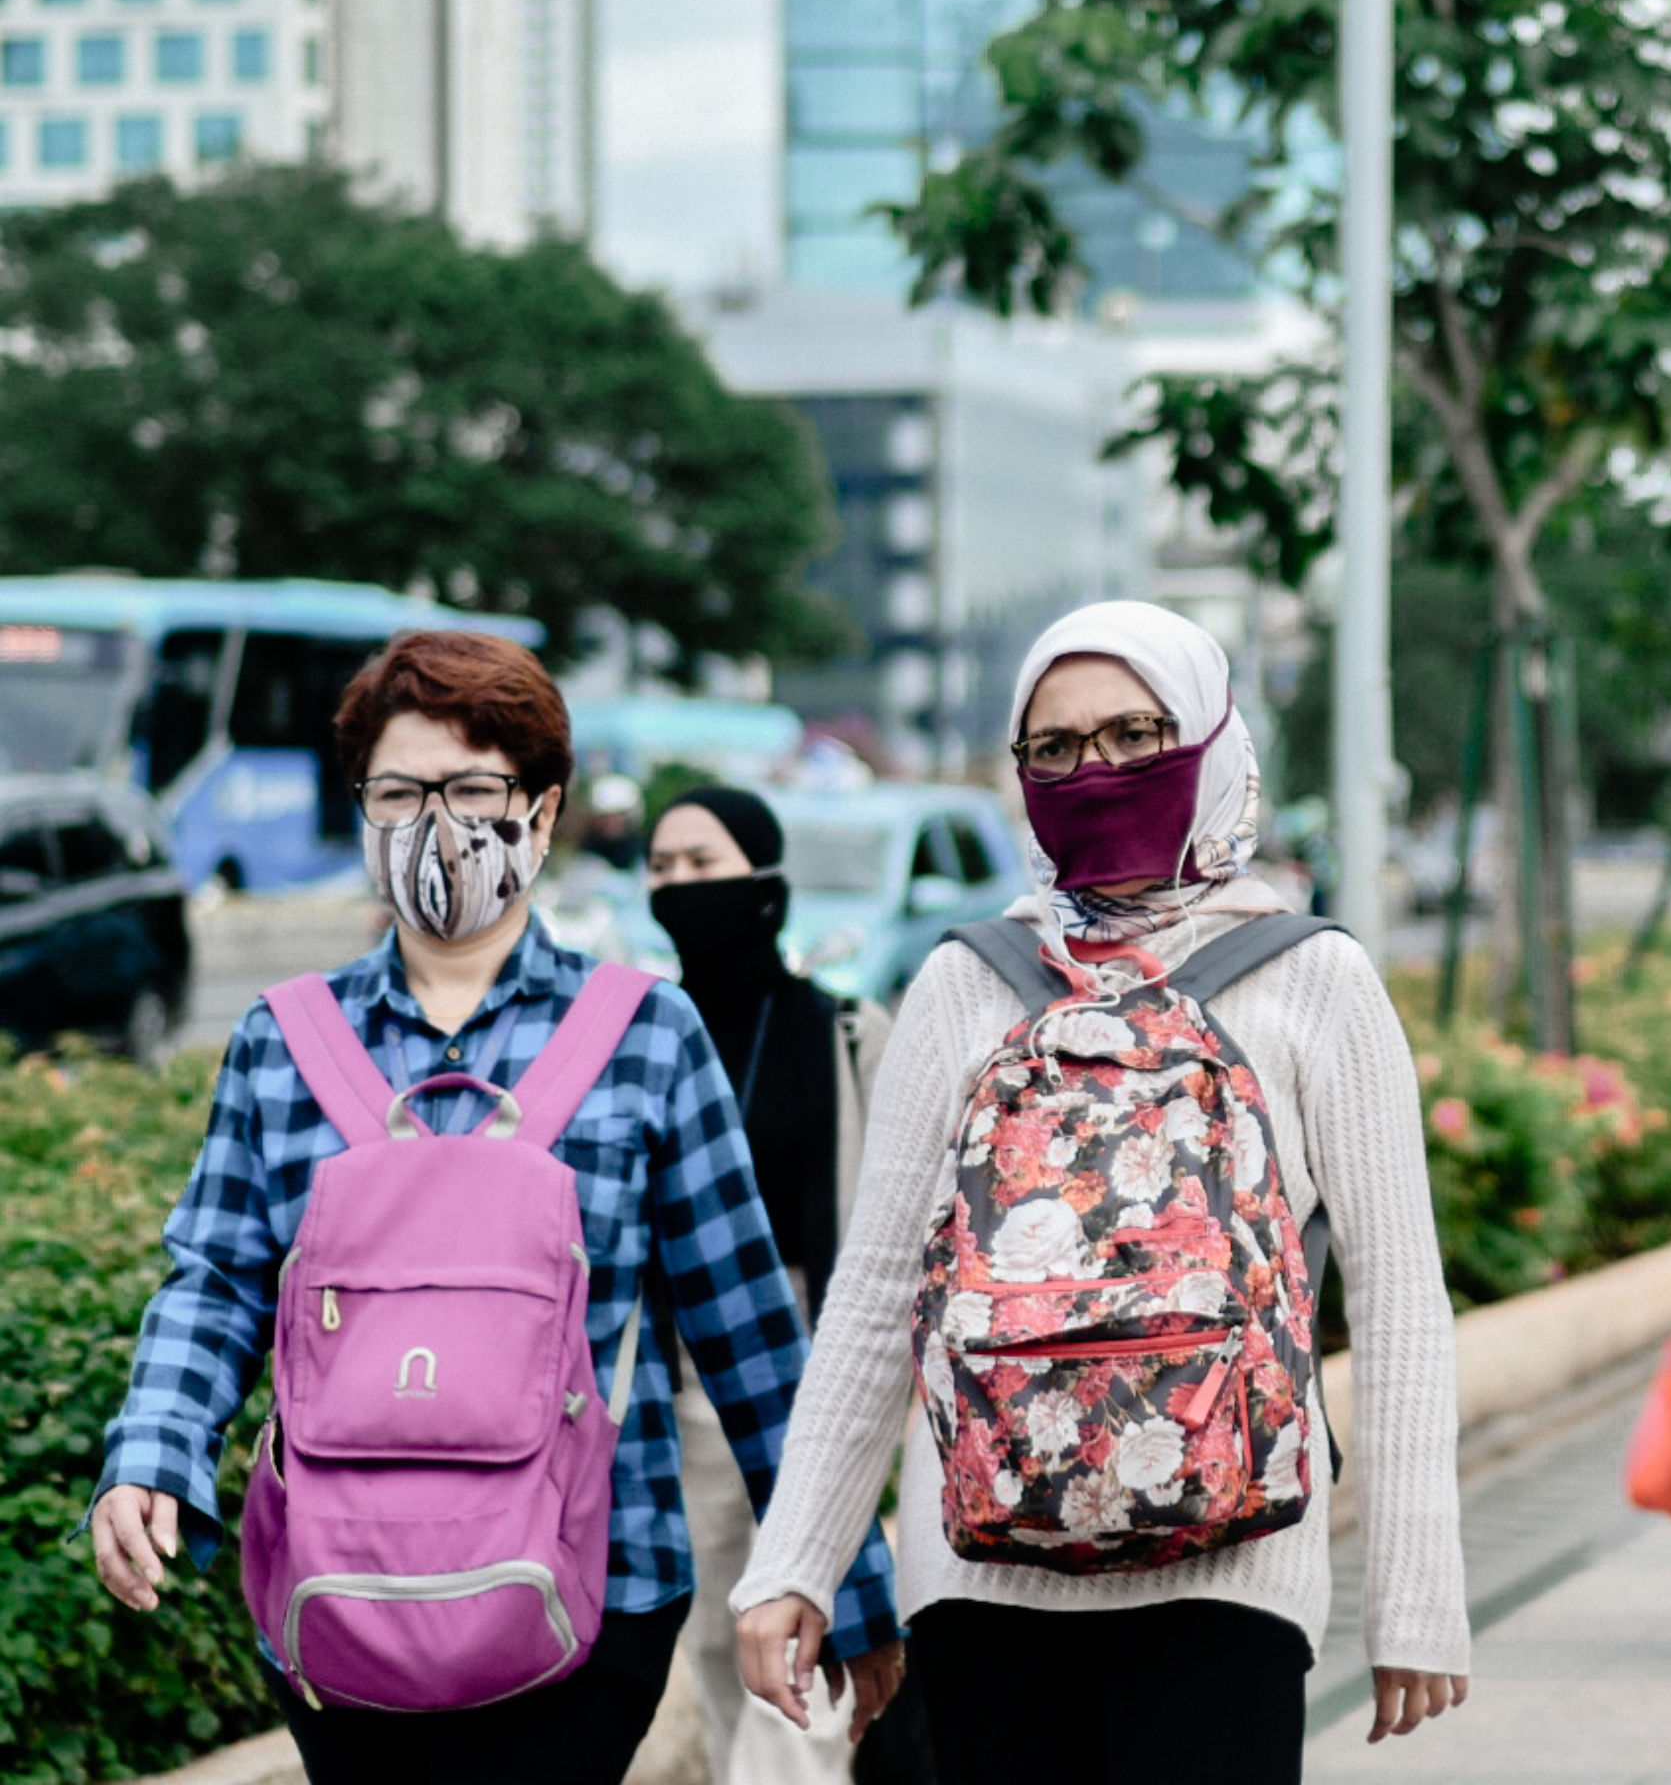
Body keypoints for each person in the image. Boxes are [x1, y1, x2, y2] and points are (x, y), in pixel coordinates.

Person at [88, 630, 898, 1785]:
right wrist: (153, 1451)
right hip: (339, 1581)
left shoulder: (643, 1035)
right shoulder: (284, 1038)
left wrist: (845, 1581)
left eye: (474, 789)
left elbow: (750, 1330)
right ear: (362, 809)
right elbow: (215, 1278)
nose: (437, 823)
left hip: (594, 1594)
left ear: (545, 807)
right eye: (400, 790)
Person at [731, 601, 1469, 1782]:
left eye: (1137, 733)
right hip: (977, 1570)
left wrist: (1416, 1593)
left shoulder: (1315, 977)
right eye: (1056, 746)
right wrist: (794, 1564)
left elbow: (1398, 1300)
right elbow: (875, 1296)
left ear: (1213, 742)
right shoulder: (965, 981)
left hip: (1231, 1569)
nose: (1097, 768)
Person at [647, 787, 899, 1784]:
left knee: (813, 1608)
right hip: (693, 1369)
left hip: (819, 1350)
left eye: (701, 864)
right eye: (660, 867)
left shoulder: (841, 1029)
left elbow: (897, 1208)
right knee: (717, 1628)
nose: (676, 885)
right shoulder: (648, 1033)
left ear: (761, 873)